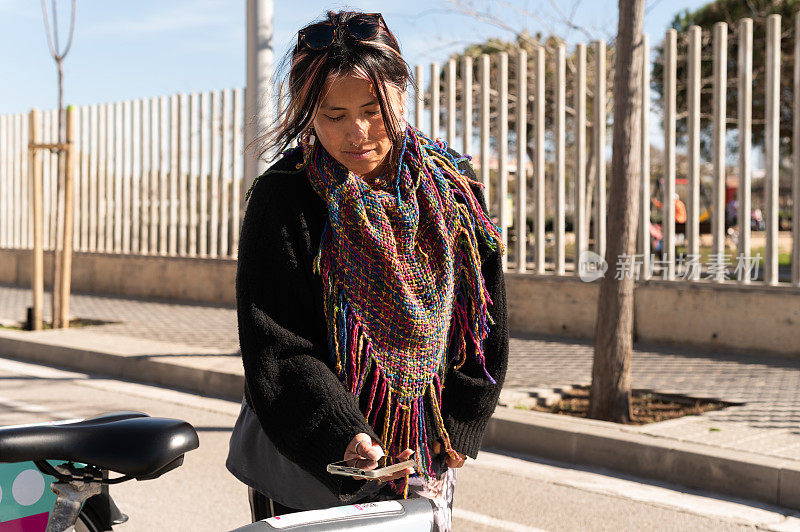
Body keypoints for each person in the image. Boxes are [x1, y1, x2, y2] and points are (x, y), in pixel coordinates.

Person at [225, 10, 509, 530]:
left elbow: (482, 318)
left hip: (422, 453)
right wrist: (340, 433)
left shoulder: (453, 188)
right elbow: (277, 343)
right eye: (333, 115)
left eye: (373, 109)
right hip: (307, 460)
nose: (356, 133)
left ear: (401, 94)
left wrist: (464, 421)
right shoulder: (284, 197)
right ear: (307, 113)